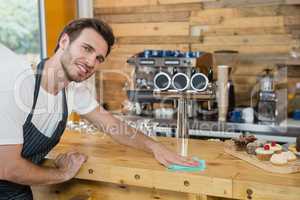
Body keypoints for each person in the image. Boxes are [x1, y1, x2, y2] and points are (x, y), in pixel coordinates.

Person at [0, 18, 198, 199]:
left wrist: (155, 147)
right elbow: (8, 168)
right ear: (64, 42)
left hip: (17, 191)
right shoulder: (19, 84)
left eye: (99, 58)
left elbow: (113, 126)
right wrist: (63, 173)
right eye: (86, 49)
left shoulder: (73, 92)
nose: (90, 62)